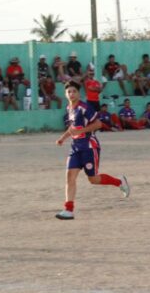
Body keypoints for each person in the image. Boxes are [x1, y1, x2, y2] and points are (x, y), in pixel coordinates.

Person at [54, 80, 130, 220]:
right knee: (70, 177)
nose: (71, 94)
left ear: (79, 93)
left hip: (89, 147)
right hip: (75, 147)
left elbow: (98, 124)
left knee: (93, 179)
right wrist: (63, 138)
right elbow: (72, 129)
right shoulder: (69, 108)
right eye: (69, 91)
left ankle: (120, 182)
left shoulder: (85, 107)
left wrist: (82, 130)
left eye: (74, 91)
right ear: (65, 94)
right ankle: (68, 209)